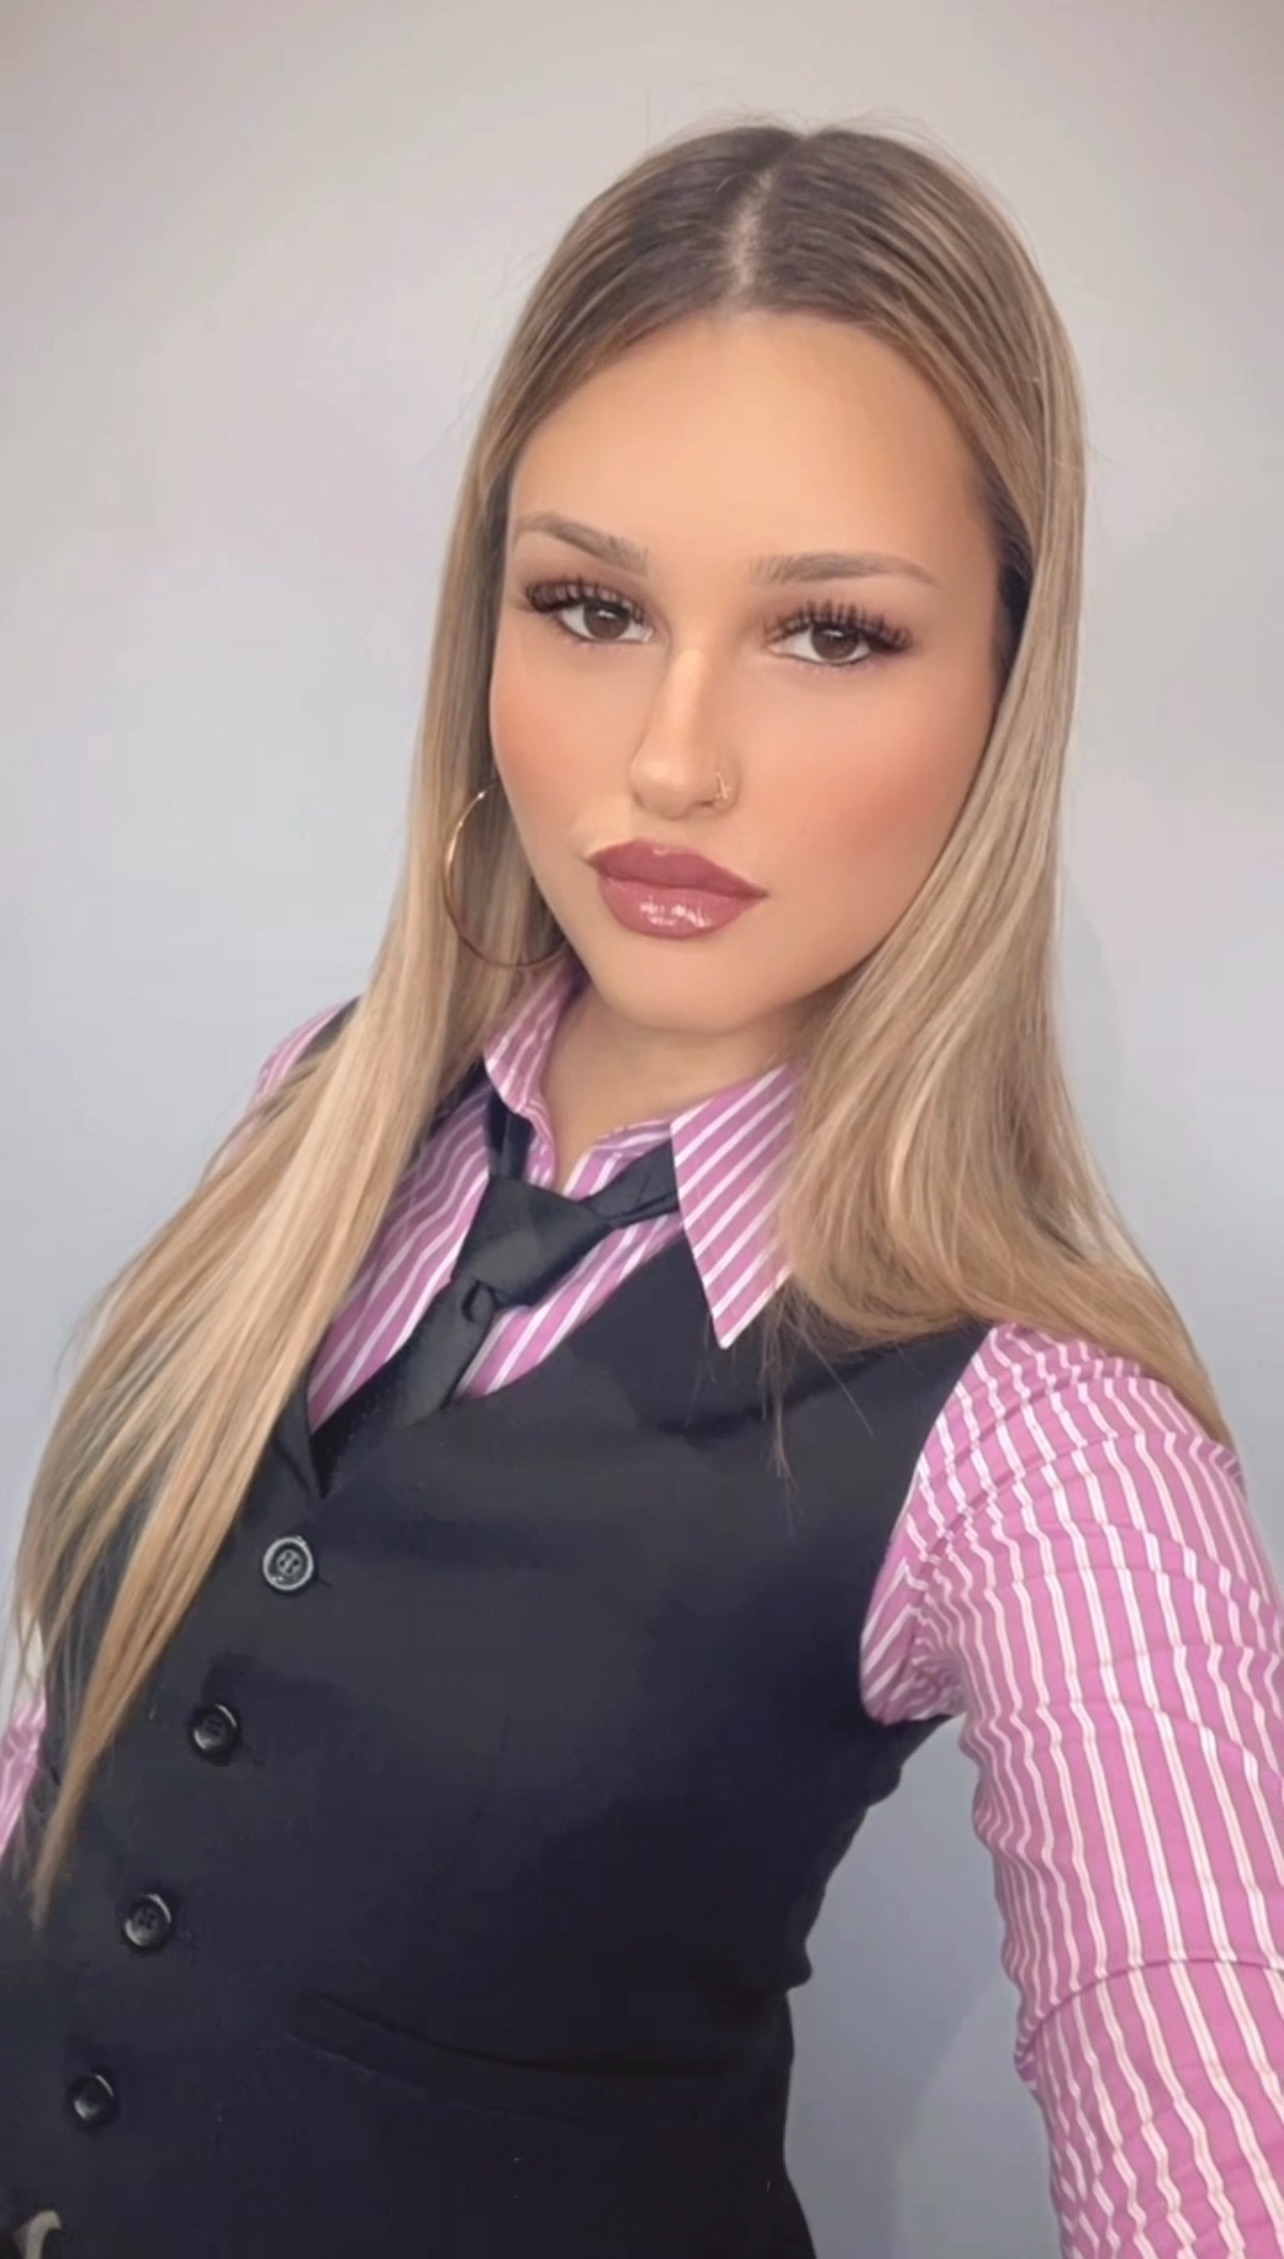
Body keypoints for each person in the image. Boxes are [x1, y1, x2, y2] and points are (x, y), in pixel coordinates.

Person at [0, 115, 1280, 2259]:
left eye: (831, 634)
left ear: (1002, 686)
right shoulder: (321, 1109)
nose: (672, 757)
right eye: (589, 606)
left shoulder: (1052, 1455)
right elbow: (77, 1745)